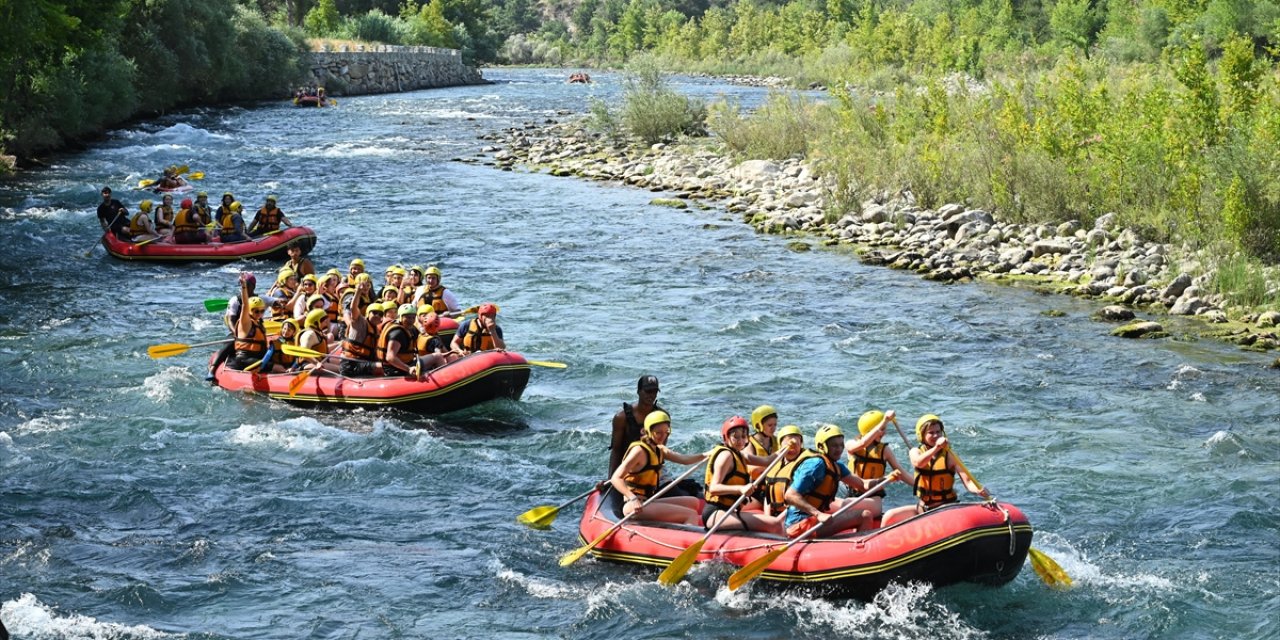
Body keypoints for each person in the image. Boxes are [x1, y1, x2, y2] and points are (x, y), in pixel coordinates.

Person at [881, 414, 989, 527]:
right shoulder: (915, 451)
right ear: (921, 435)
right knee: (889, 516)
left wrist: (978, 490)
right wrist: (936, 447)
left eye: (938, 432)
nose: (936, 435)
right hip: (923, 508)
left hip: (946, 507)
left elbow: (968, 482)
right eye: (931, 433)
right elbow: (918, 463)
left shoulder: (950, 456)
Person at [609, 411, 706, 525]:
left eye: (666, 432)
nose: (663, 436)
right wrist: (633, 498)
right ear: (647, 432)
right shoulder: (639, 451)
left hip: (649, 501)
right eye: (658, 433)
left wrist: (707, 454)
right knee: (691, 514)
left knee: (693, 502)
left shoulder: (659, 449)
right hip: (634, 506)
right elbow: (616, 478)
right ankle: (686, 539)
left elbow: (685, 460)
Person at [781, 424, 876, 537]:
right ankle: (860, 550)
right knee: (865, 515)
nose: (840, 449)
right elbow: (790, 495)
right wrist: (818, 514)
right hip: (799, 524)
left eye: (841, 445)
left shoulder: (836, 466)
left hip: (812, 521)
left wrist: (889, 479)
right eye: (834, 446)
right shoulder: (815, 465)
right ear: (821, 446)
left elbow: (862, 484)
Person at [703, 416, 784, 533]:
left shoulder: (740, 455)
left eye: (743, 437)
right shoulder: (726, 456)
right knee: (775, 524)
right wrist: (741, 489)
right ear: (726, 437)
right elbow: (714, 488)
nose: (740, 441)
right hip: (716, 513)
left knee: (774, 523)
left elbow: (767, 460)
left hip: (730, 510)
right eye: (736, 437)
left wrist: (787, 446)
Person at [845, 410, 914, 524]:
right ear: (870, 431)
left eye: (884, 428)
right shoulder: (851, 444)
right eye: (882, 429)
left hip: (874, 498)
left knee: (849, 504)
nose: (884, 433)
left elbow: (902, 473)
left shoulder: (885, 450)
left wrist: (921, 486)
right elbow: (863, 444)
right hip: (854, 494)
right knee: (847, 503)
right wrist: (885, 420)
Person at [609, 375, 665, 476]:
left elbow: (661, 449)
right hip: (628, 468)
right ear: (638, 391)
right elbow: (616, 451)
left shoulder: (662, 417)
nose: (651, 395)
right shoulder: (621, 418)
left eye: (654, 391)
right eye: (648, 391)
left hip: (652, 468)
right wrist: (612, 478)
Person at [340, 280, 386, 378]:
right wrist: (358, 292)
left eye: (380, 314)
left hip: (364, 362)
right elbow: (353, 308)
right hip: (352, 364)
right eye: (374, 313)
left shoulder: (376, 329)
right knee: (384, 368)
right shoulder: (360, 322)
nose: (377, 316)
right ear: (367, 314)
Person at [762, 425, 808, 516]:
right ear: (780, 445)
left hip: (795, 515)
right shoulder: (775, 463)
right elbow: (768, 495)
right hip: (775, 513)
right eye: (788, 445)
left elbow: (803, 498)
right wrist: (767, 517)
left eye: (797, 445)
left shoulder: (805, 466)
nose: (792, 449)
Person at [229, 273, 269, 371]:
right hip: (244, 359)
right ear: (250, 311)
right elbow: (245, 305)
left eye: (262, 311)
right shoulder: (246, 322)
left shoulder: (258, 322)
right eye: (256, 311)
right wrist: (244, 287)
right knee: (277, 367)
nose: (259, 314)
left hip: (256, 357)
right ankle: (214, 368)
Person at [378, 304, 419, 377]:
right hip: (395, 369)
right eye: (408, 317)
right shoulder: (398, 333)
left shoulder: (410, 329)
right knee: (436, 357)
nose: (411, 321)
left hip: (405, 364)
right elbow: (390, 357)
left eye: (413, 317)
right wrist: (408, 369)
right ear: (400, 317)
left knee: (437, 355)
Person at [743, 404, 779, 480]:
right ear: (758, 426)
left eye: (775, 425)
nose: (774, 428)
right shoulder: (749, 443)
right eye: (770, 425)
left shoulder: (777, 440)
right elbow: (749, 464)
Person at [414, 307, 453, 376]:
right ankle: (448, 375)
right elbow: (439, 355)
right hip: (431, 367)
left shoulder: (420, 335)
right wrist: (452, 352)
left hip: (422, 361)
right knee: (453, 356)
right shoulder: (434, 340)